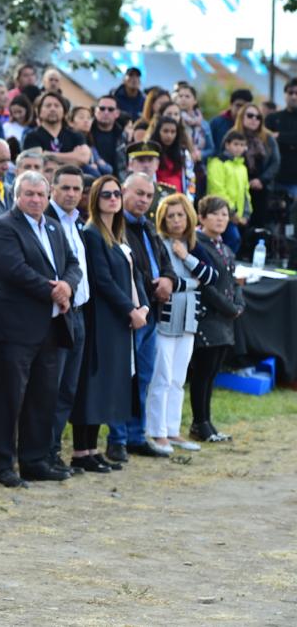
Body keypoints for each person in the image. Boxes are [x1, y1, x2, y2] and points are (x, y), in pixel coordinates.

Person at [0, 171, 82, 487]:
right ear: (17, 195)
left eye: (41, 194)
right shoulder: (3, 226)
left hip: (52, 325)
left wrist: (67, 285)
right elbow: (12, 268)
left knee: (43, 395)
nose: (36, 200)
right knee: (9, 398)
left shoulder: (53, 226)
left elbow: (73, 264)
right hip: (16, 327)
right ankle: (1, 465)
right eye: (29, 194)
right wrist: (51, 290)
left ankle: (35, 460)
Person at [71, 175, 149, 472]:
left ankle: (92, 448)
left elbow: (134, 276)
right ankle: (81, 450)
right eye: (107, 195)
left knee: (108, 386)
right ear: (95, 199)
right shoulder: (91, 234)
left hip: (119, 321)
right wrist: (130, 310)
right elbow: (102, 279)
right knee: (93, 385)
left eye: (117, 193)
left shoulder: (117, 234)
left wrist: (141, 305)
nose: (114, 199)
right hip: (101, 319)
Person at [105, 172, 178, 463]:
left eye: (149, 196)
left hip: (151, 316)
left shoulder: (148, 227)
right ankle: (118, 439)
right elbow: (126, 272)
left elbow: (166, 264)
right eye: (139, 193)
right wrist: (153, 286)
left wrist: (169, 281)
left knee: (144, 377)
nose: (144, 200)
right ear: (124, 191)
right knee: (125, 378)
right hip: (129, 315)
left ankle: (137, 435)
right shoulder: (116, 226)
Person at [148, 194, 216, 455]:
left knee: (178, 378)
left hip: (188, 321)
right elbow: (165, 282)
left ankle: (172, 428)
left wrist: (187, 258)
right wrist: (189, 283)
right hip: (165, 319)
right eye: (170, 216)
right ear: (162, 219)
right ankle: (157, 431)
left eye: (180, 215)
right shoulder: (158, 244)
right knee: (161, 377)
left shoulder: (193, 245)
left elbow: (210, 277)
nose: (176, 220)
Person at [45, 166, 91, 472]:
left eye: (77, 189)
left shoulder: (77, 222)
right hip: (56, 313)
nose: (71, 194)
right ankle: (44, 451)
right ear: (53, 188)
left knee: (68, 389)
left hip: (79, 312)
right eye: (66, 188)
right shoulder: (46, 220)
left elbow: (76, 267)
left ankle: (53, 451)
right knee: (52, 387)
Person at [190, 195, 244, 443]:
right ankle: (199, 423)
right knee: (202, 373)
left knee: (213, 373)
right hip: (208, 318)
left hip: (225, 320)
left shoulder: (225, 248)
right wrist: (228, 307)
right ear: (201, 217)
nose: (221, 219)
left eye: (225, 214)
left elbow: (234, 281)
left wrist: (238, 304)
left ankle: (207, 422)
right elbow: (205, 285)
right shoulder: (197, 244)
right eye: (215, 213)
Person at [231, 101, 279, 231]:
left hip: (261, 187)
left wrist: (261, 180)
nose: (254, 120)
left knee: (259, 227)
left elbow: (275, 161)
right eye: (250, 115)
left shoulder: (267, 137)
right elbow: (225, 160)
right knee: (239, 225)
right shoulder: (233, 136)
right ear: (242, 117)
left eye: (258, 117)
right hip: (237, 188)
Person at [206, 131, 251, 254]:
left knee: (232, 242)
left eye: (242, 145)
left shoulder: (242, 167)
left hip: (238, 216)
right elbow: (217, 189)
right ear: (227, 144)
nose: (239, 148)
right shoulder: (217, 163)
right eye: (236, 144)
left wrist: (246, 214)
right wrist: (231, 212)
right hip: (221, 212)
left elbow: (245, 193)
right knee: (232, 239)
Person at [22, 92, 90, 167]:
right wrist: (73, 156)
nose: (52, 109)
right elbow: (37, 161)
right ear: (39, 112)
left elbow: (83, 158)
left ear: (64, 112)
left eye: (57, 106)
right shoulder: (32, 136)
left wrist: (48, 154)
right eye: (48, 106)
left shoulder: (76, 136)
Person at [265, 77, 297, 204]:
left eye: (296, 93)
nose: (294, 97)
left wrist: (279, 136)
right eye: (290, 93)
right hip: (276, 178)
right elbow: (267, 140)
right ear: (285, 94)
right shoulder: (273, 118)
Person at [148, 116, 193, 197]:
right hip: (157, 199)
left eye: (173, 132)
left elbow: (191, 179)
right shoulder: (150, 154)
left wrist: (189, 200)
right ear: (158, 132)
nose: (169, 135)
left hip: (180, 199)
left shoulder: (183, 153)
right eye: (165, 131)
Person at [91, 94, 126, 179]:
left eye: (110, 109)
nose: (106, 112)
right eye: (102, 108)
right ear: (96, 111)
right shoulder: (85, 133)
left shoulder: (124, 136)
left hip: (116, 181)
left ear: (117, 113)